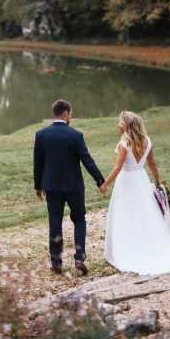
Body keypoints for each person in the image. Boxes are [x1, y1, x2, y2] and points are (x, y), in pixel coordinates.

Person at [101, 111, 170, 275]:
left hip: (126, 181)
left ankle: (127, 247)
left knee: (125, 213)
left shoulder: (124, 144)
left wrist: (105, 184)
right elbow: (153, 164)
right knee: (145, 213)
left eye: (119, 122)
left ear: (126, 125)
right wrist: (157, 182)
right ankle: (146, 242)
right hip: (141, 180)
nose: (117, 125)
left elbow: (118, 167)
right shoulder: (147, 141)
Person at [33, 99, 105, 275]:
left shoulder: (41, 134)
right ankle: (79, 257)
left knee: (55, 222)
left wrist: (38, 186)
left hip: (52, 187)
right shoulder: (75, 135)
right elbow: (87, 160)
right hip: (74, 187)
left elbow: (38, 163)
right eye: (71, 113)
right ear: (65, 113)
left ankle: (56, 262)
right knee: (79, 220)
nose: (70, 116)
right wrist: (100, 181)